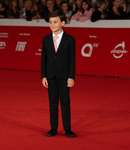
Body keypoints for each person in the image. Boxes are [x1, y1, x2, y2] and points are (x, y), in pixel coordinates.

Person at [41, 9, 76, 138]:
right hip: (50, 76)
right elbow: (43, 58)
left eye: (55, 22)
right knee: (53, 103)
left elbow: (72, 60)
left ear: (63, 23)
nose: (52, 25)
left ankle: (67, 129)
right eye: (50, 22)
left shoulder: (70, 40)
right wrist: (43, 76)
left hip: (64, 77)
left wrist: (71, 77)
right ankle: (53, 128)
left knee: (65, 103)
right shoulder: (45, 39)